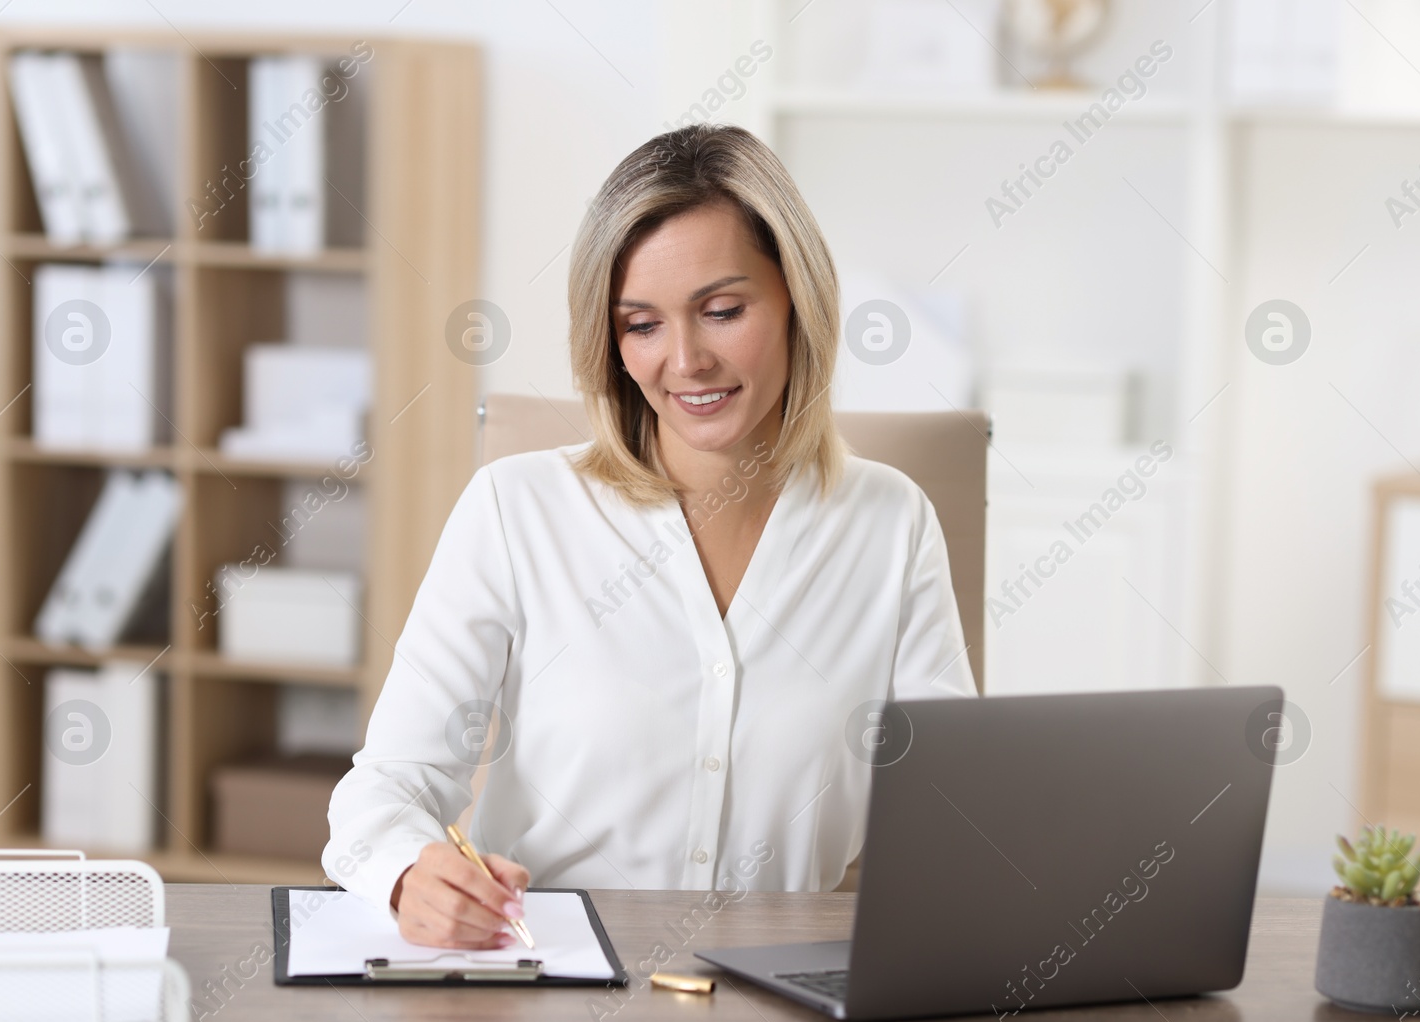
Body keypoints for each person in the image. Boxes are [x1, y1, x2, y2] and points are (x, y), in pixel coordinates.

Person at [324, 124, 975, 950]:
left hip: (778, 1000)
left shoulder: (890, 523)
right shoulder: (516, 510)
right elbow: (386, 787)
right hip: (550, 984)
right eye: (641, 325)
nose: (686, 360)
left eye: (723, 311)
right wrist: (409, 874)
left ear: (798, 302)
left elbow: (950, 817)